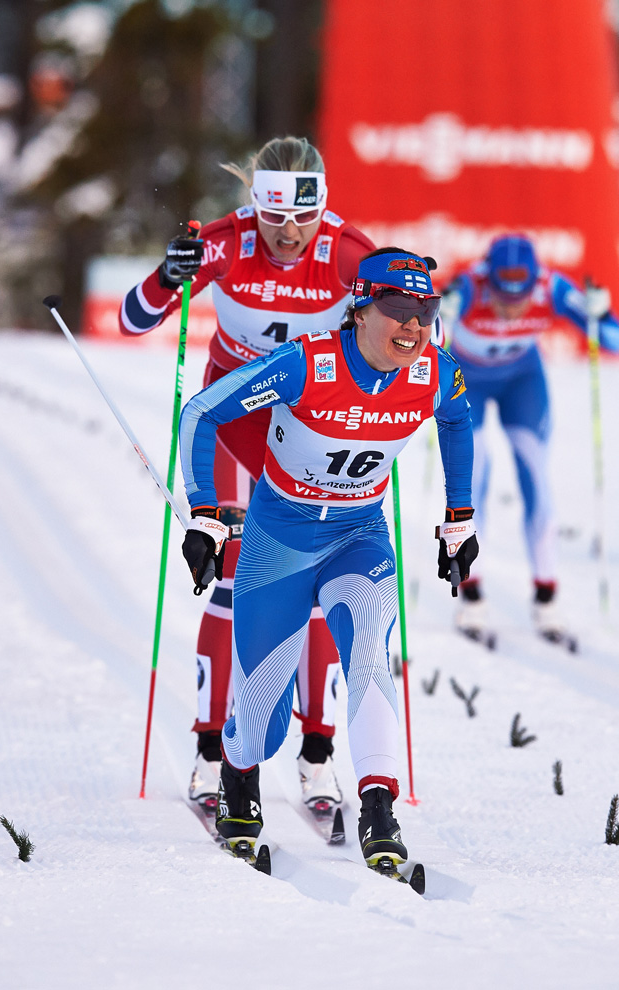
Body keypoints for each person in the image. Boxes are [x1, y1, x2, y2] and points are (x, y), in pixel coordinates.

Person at [177, 248, 478, 866]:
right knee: (265, 713)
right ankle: (238, 780)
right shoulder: (304, 365)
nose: (413, 326)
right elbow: (201, 412)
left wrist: (460, 517)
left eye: (426, 310)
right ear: (359, 311)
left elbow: (457, 421)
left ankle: (378, 809)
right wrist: (206, 515)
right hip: (278, 542)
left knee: (372, 652)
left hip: (359, 537)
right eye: (398, 309)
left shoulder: (435, 372)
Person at [119, 137, 376, 812]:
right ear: (253, 204)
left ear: (323, 205)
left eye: (304, 217)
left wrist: (411, 305)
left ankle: (316, 756)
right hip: (232, 422)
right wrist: (165, 275)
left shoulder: (349, 252)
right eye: (274, 217)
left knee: (315, 584)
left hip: (307, 431)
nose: (289, 234)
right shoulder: (226, 243)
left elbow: (412, 332)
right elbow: (132, 319)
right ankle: (211, 749)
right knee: (231, 574)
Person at [441, 232, 619, 642]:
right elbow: (426, 337)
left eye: (519, 299)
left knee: (536, 477)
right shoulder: (470, 284)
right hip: (466, 379)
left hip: (522, 380)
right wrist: (443, 313)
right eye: (502, 299)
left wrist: (602, 313)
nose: (511, 309)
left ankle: (546, 596)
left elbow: (616, 340)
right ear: (489, 280)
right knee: (472, 483)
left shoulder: (551, 287)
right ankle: (471, 595)